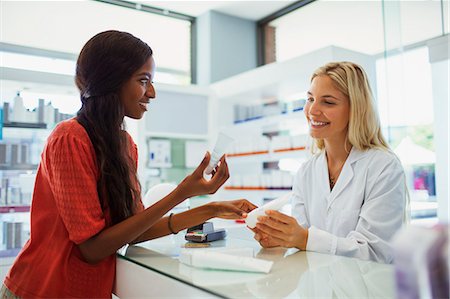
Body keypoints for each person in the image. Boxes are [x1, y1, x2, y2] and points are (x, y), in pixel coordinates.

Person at [2, 30, 256, 298]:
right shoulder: (70, 138)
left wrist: (211, 209)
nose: (152, 93)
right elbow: (92, 249)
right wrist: (182, 192)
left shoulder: (125, 146)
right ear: (110, 81)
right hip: (41, 290)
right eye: (143, 80)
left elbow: (133, 231)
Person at [252, 61, 407, 263]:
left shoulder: (383, 167)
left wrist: (303, 238)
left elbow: (374, 253)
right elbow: (301, 245)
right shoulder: (306, 172)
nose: (312, 110)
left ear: (356, 109)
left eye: (328, 102)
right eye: (310, 99)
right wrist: (281, 238)